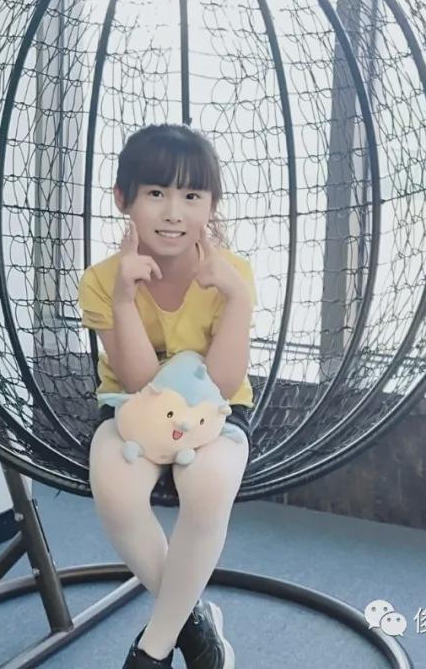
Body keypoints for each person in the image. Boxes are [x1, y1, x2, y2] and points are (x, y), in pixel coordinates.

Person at [77, 124, 256, 669]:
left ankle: (154, 647)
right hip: (131, 409)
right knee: (115, 490)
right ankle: (195, 624)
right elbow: (136, 381)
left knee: (209, 483)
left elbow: (223, 384)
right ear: (123, 199)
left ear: (211, 206)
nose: (174, 212)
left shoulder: (233, 274)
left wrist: (237, 299)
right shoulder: (102, 280)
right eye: (156, 193)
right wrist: (124, 300)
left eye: (192, 196)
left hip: (215, 412)